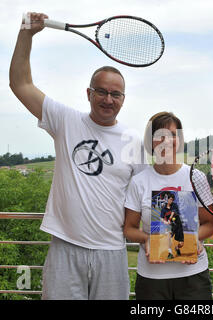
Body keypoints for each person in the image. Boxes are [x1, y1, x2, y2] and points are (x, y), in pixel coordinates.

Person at [9, 12, 144, 300]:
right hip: (64, 247)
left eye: (115, 94)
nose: (108, 99)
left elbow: (147, 197)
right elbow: (20, 84)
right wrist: (25, 34)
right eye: (102, 91)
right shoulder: (65, 120)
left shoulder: (134, 141)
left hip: (112, 250)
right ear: (88, 93)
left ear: (123, 99)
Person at [123, 112, 213, 300]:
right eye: (160, 135)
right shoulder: (139, 182)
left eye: (173, 135)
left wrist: (193, 239)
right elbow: (129, 229)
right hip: (152, 278)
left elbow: (210, 224)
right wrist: (147, 239)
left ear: (180, 140)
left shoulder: (195, 177)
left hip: (193, 277)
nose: (167, 141)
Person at [160, 193, 184, 259]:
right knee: (168, 237)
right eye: (170, 199)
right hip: (170, 226)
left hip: (178, 224)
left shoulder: (174, 205)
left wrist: (169, 219)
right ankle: (170, 253)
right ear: (167, 199)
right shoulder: (163, 209)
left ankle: (177, 248)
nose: (171, 201)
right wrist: (164, 221)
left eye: (172, 200)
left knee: (181, 243)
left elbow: (173, 212)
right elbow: (161, 218)